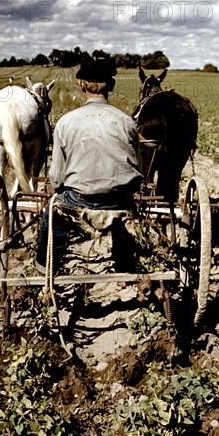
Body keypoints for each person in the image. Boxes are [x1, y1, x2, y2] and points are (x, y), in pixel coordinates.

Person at [35, 58, 143, 275]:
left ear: (82, 85)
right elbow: (137, 165)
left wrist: (58, 189)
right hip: (119, 200)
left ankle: (46, 267)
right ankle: (125, 262)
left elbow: (56, 178)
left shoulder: (66, 122)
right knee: (125, 207)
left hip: (79, 200)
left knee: (52, 211)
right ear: (111, 86)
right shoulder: (127, 122)